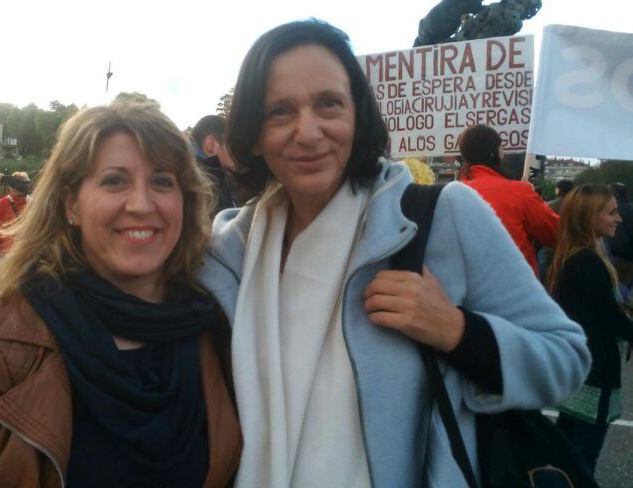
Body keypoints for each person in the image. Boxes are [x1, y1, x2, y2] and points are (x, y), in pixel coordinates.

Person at [196, 19, 589, 487]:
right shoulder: (228, 251)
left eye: (329, 104)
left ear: (358, 114)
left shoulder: (443, 217)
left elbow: (566, 358)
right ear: (254, 134)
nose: (307, 131)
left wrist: (459, 332)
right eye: (279, 111)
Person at [0, 102, 241, 487]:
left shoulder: (218, 324)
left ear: (185, 201)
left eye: (162, 181)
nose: (141, 204)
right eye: (115, 181)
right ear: (71, 204)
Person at [547, 184, 633, 475]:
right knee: (582, 461)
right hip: (596, 373)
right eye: (610, 212)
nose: (618, 218)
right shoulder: (588, 262)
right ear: (589, 216)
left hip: (579, 369)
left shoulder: (571, 257)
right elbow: (610, 319)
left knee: (566, 454)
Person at [458, 125, 559, 277]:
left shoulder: (449, 194)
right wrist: (534, 201)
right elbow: (556, 234)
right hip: (516, 288)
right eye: (502, 147)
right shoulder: (519, 192)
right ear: (496, 152)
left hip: (465, 292)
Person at [191, 115, 237, 213]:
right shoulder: (210, 186)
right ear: (211, 144)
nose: (238, 155)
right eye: (232, 146)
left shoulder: (187, 178)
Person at [0, 171, 30, 258]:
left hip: (9, 251)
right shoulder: (34, 202)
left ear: (10, 187)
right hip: (29, 252)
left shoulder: (2, 203)